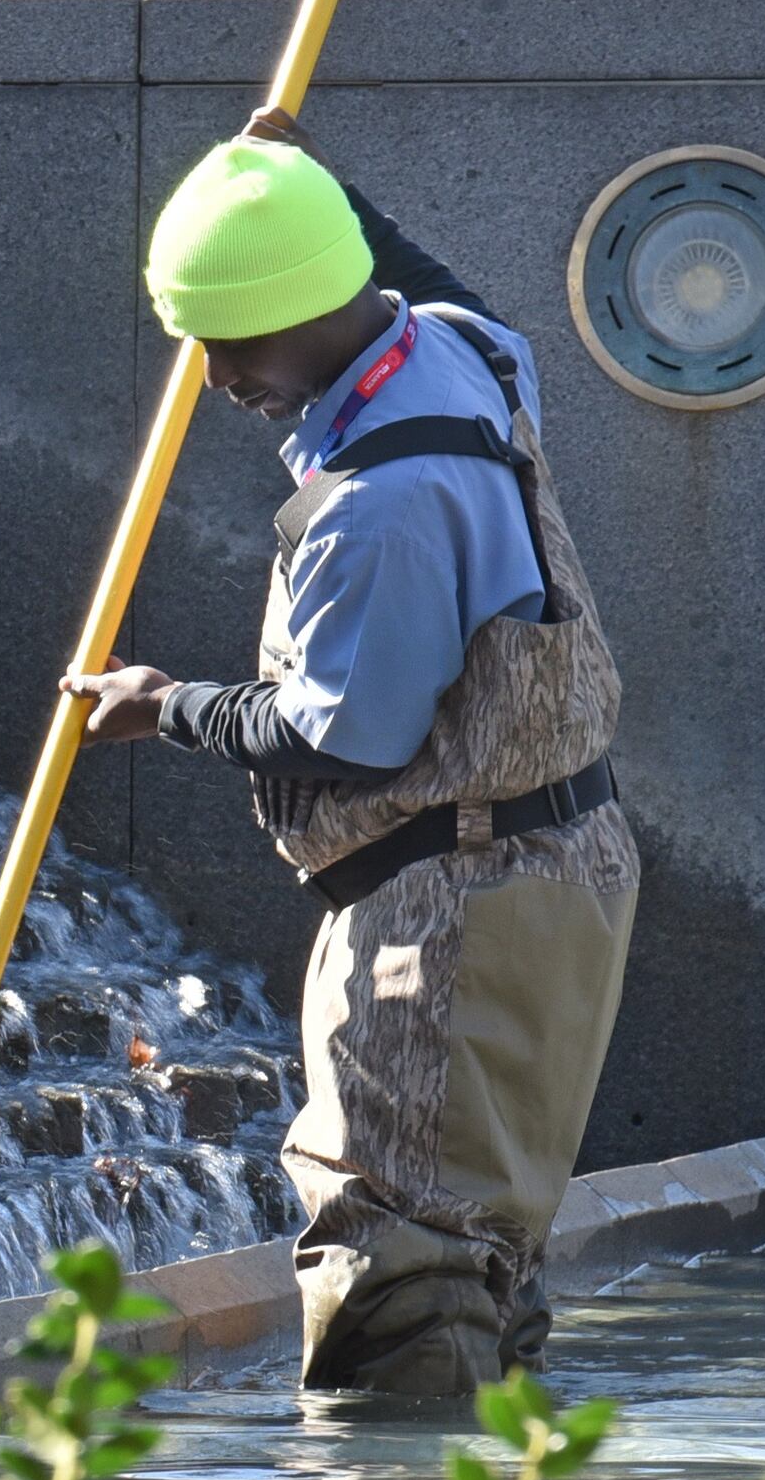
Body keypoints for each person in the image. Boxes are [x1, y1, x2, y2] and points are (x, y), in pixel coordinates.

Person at [66, 109, 634, 1396]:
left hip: (450, 905)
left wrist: (170, 703)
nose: (214, 380)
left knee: (397, 1249)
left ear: (306, 311)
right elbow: (445, 291)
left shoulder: (375, 508)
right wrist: (324, 188)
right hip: (564, 869)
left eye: (229, 345)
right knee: (483, 1238)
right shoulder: (465, 357)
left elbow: (350, 736)